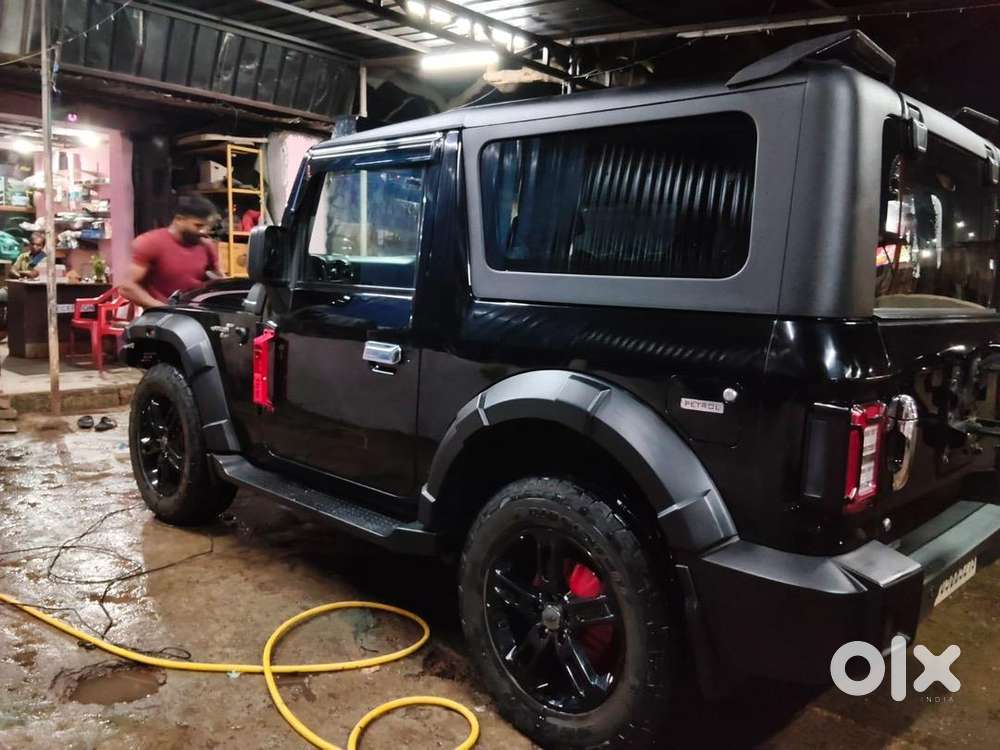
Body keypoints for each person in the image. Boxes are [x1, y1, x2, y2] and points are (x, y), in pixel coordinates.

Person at [120, 195, 222, 309]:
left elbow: (218, 280)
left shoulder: (206, 246)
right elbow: (126, 287)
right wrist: (163, 308)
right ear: (179, 219)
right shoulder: (150, 243)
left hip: (196, 314)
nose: (203, 231)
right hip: (160, 317)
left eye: (208, 227)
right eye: (198, 225)